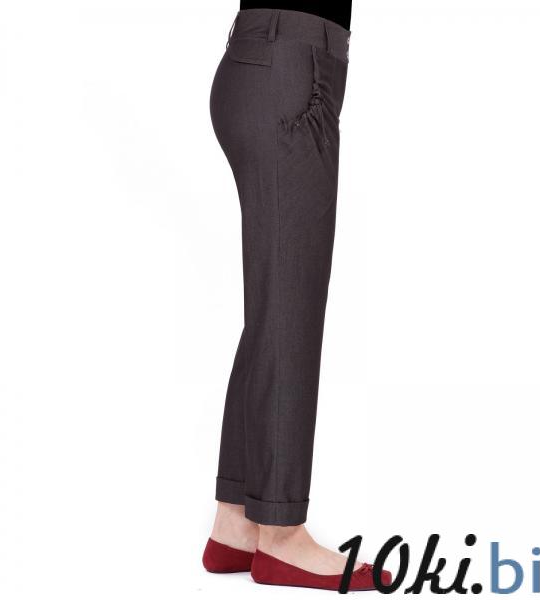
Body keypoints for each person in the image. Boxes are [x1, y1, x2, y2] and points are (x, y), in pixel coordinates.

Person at [203, 3, 391, 590]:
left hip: (267, 61)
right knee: (289, 310)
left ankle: (237, 521)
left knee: (275, 308)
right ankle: (281, 535)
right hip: (292, 71)